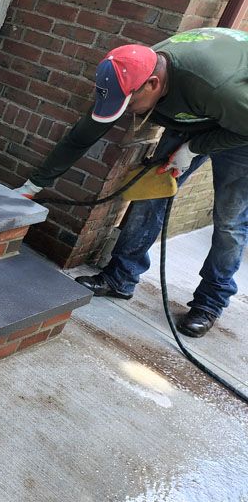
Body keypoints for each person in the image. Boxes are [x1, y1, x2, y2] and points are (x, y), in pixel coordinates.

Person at [18, 27, 248, 338]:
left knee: (229, 220)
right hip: (197, 112)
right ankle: (121, 278)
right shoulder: (128, 73)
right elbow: (80, 137)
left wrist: (193, 148)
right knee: (150, 195)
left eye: (129, 102)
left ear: (153, 85)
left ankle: (210, 302)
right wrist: (33, 186)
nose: (123, 110)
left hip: (241, 128)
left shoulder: (218, 86)